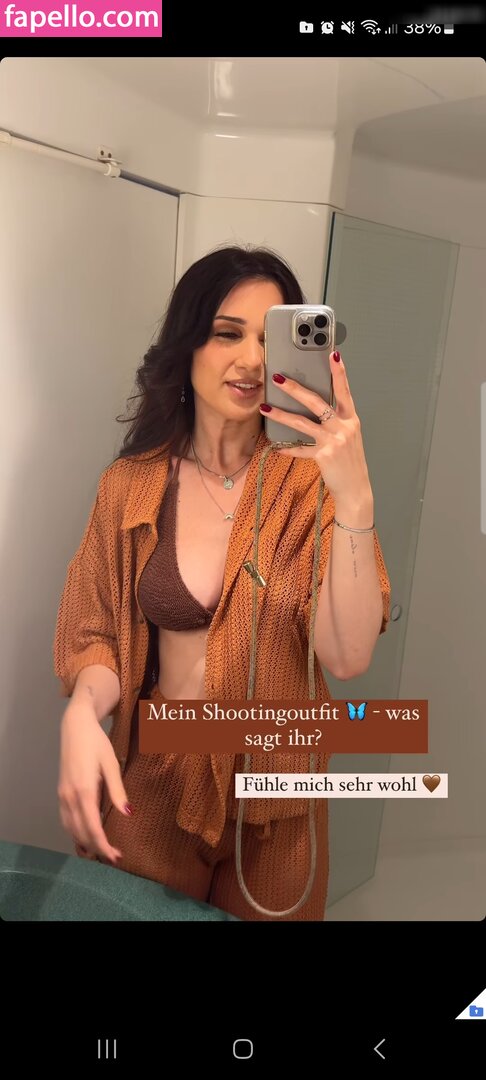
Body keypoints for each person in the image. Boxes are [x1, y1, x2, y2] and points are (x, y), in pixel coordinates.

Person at [54, 244, 391, 921]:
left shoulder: (310, 485)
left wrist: (354, 499)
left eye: (269, 338)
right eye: (227, 333)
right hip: (155, 777)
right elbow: (95, 632)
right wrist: (82, 712)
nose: (252, 361)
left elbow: (349, 656)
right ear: (187, 345)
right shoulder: (129, 485)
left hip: (279, 793)